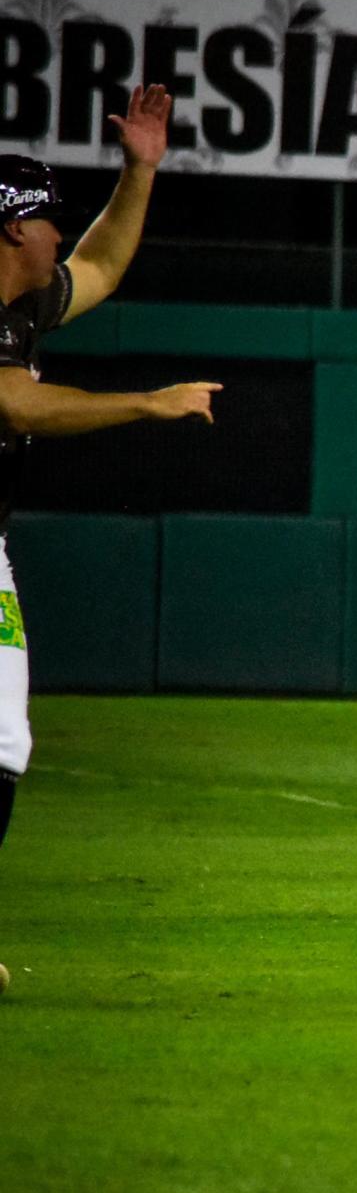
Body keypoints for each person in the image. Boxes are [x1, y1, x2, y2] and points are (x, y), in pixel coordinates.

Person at [0, 86, 223, 855]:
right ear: (14, 224)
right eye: (49, 215)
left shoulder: (24, 303)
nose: (60, 229)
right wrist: (147, 403)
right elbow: (18, 407)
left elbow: (100, 261)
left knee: (1, 744)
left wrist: (142, 171)